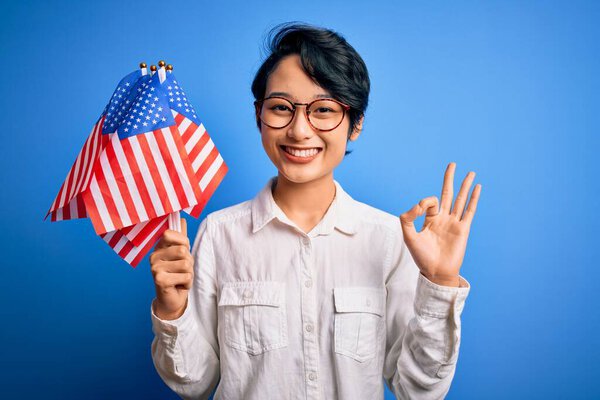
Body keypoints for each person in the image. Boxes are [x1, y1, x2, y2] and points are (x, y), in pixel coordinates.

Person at [149, 22, 481, 400]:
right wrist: (172, 309)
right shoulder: (219, 234)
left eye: (323, 109)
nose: (299, 130)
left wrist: (439, 283)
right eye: (281, 108)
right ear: (259, 115)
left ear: (354, 124)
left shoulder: (389, 239)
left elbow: (418, 390)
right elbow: (195, 382)